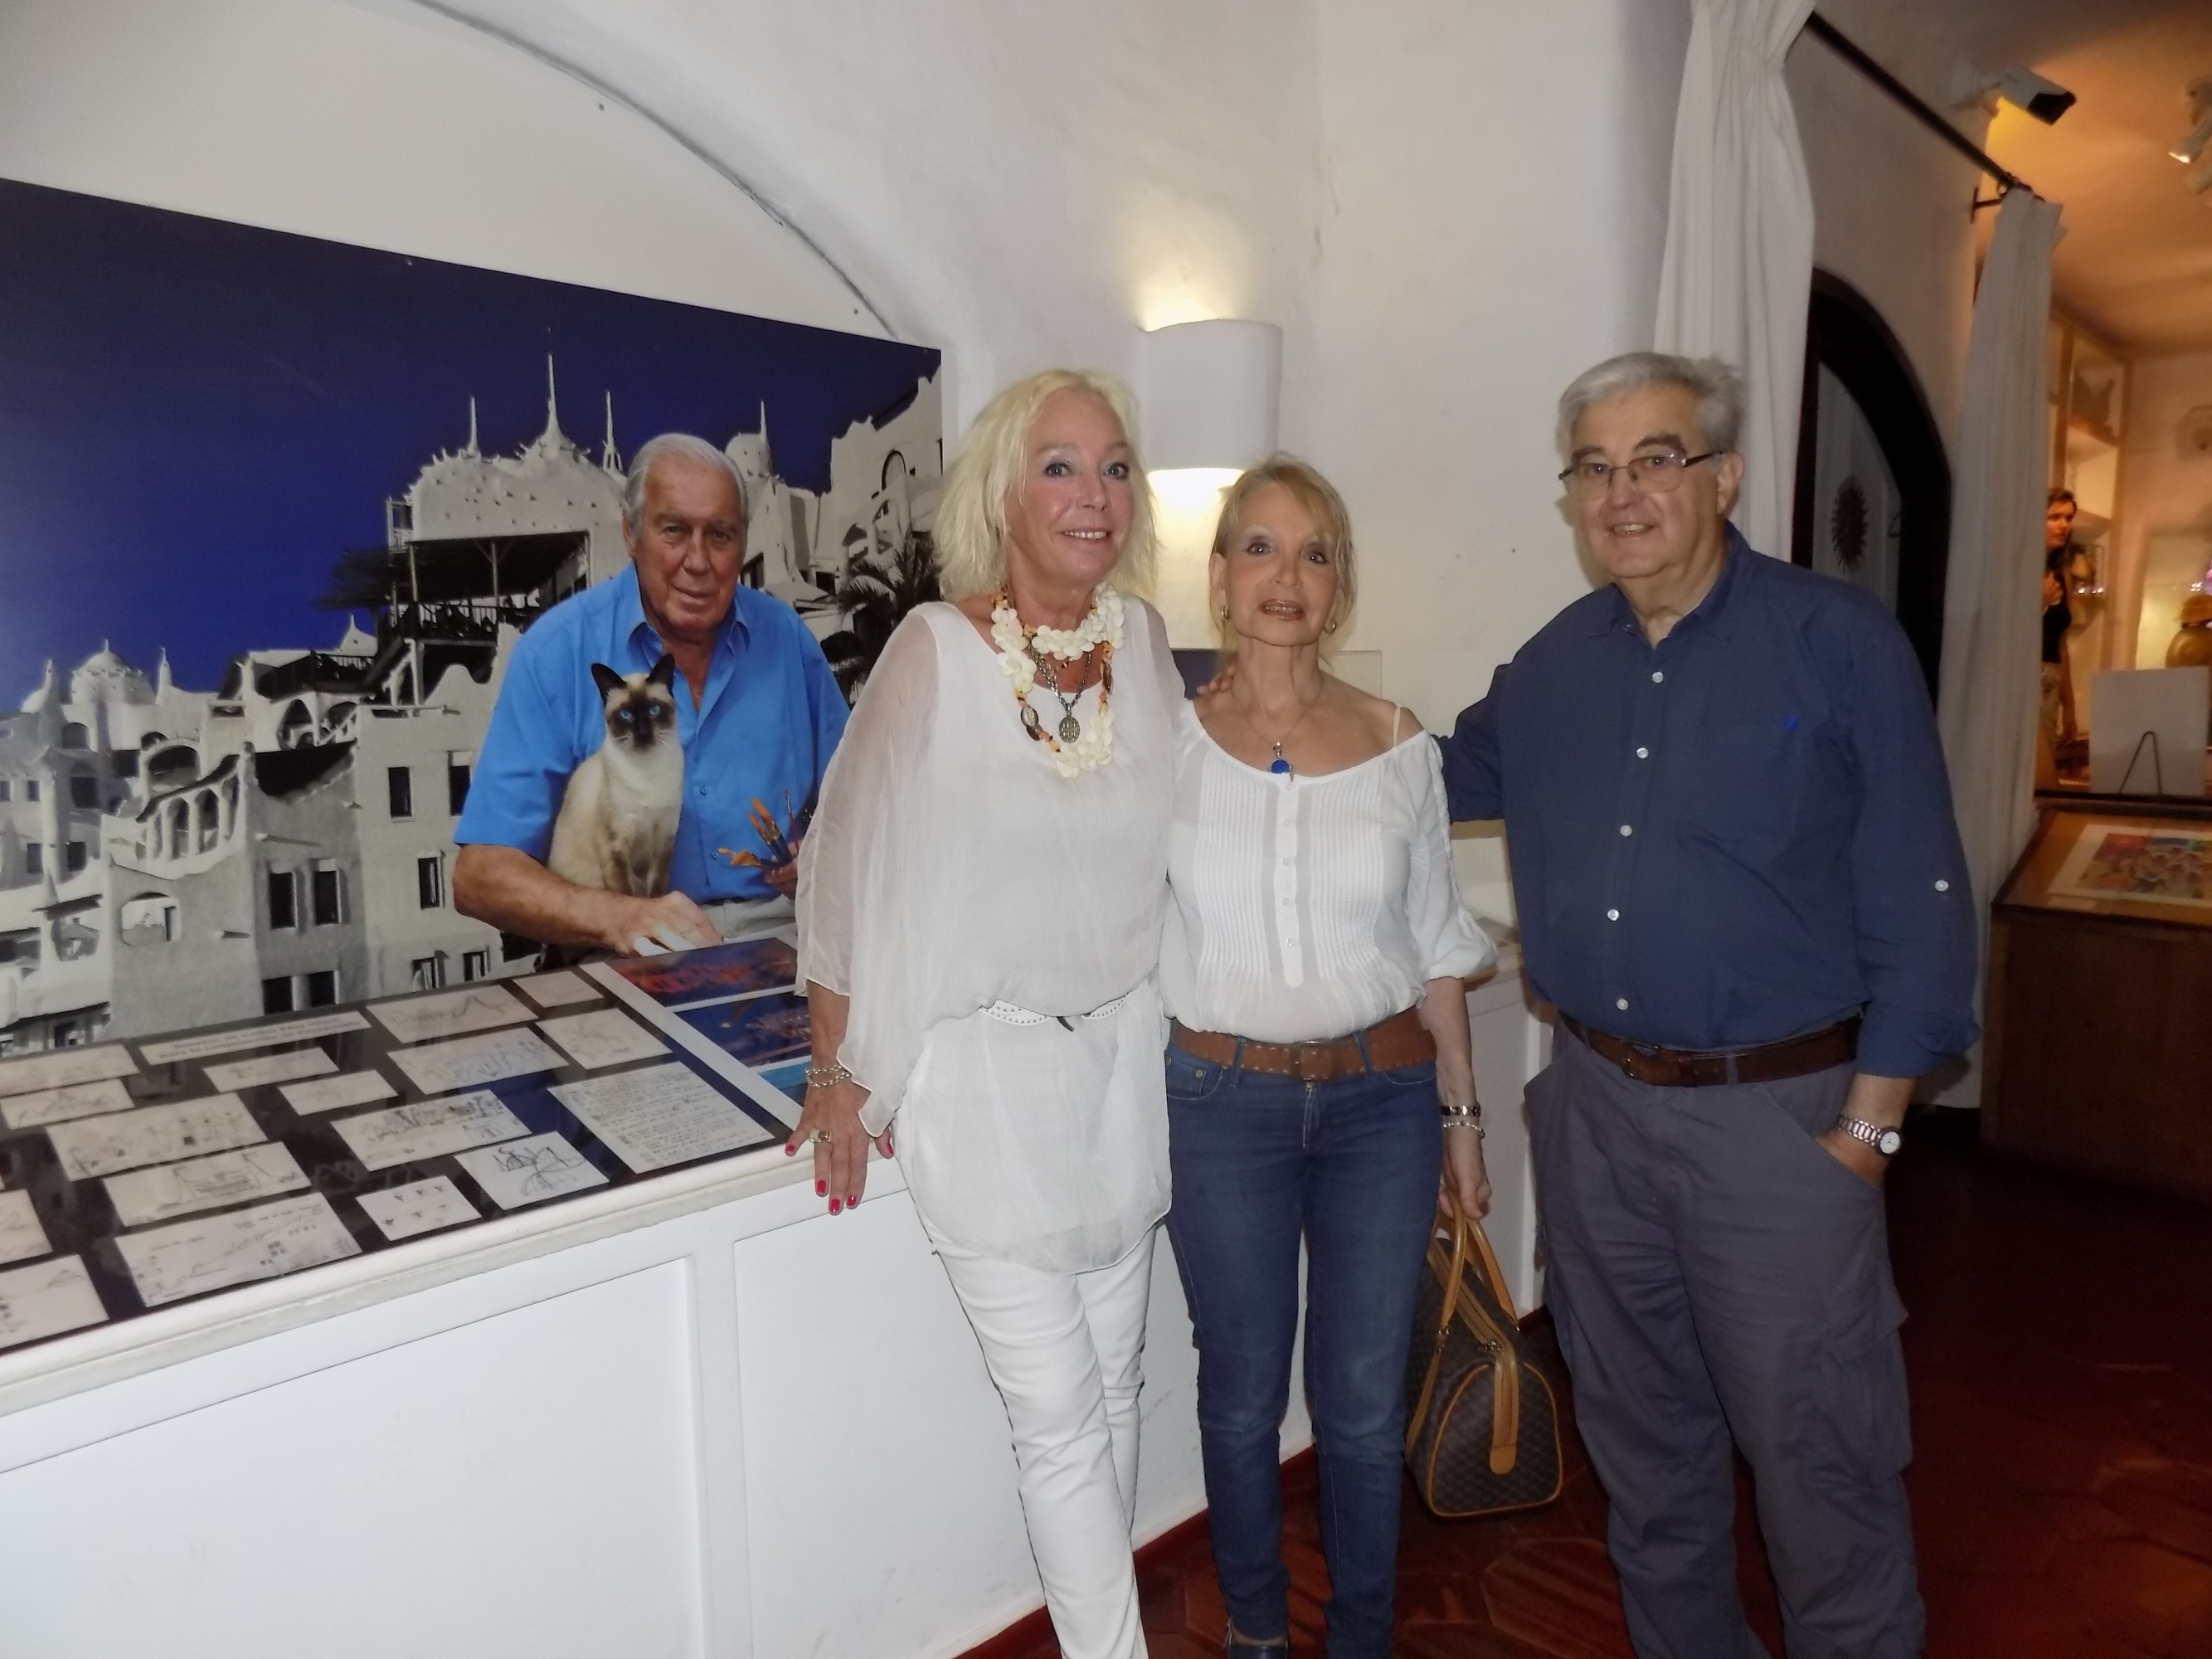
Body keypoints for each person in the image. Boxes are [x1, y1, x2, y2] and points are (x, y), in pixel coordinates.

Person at [1440, 352, 1976, 1659]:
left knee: (1819, 1465)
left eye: (1655, 458)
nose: (1622, 492)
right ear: (1570, 495)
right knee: (1643, 1455)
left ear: (1722, 474)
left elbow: (1922, 905)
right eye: (1593, 468)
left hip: (1783, 1126)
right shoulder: (1549, 668)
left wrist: (1869, 1142)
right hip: (1596, 1120)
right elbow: (1413, 784)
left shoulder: (1837, 644)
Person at [792, 369, 1184, 1659]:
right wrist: (837, 1072)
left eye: (1115, 466)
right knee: (1060, 1419)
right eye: (1060, 466)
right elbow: (841, 856)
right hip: (981, 1083)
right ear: (1001, 495)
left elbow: (1191, 841)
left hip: (1121, 1073)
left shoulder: (1140, 648)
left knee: (1118, 1391)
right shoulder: (932, 651)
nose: (1096, 496)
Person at [1159, 457, 1495, 1658]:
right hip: (1216, 1107)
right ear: (1218, 576)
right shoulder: (1163, 746)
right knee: (1241, 1401)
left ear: (1337, 582)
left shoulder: (1399, 744)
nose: (1283, 576)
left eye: (1311, 552)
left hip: (1379, 1109)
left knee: (1357, 1411)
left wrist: (1460, 1122)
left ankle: (1359, 1638)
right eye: (1258, 547)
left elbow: (1437, 949)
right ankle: (1254, 1632)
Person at [454, 433, 848, 953]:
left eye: (721, 535)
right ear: (631, 533)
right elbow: (479, 876)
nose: (698, 560)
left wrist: (824, 851)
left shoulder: (785, 637)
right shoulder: (557, 652)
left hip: (786, 942)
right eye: (674, 531)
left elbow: (863, 799)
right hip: (619, 954)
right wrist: (616, 918)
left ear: (745, 543)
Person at [2041, 487, 2080, 758]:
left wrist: (2070, 707)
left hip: (2051, 680)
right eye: (2054, 517)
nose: (2063, 525)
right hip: (2023, 679)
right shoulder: (2018, 570)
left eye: (2068, 518)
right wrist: (2040, 602)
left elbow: (2062, 644)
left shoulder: (2061, 575)